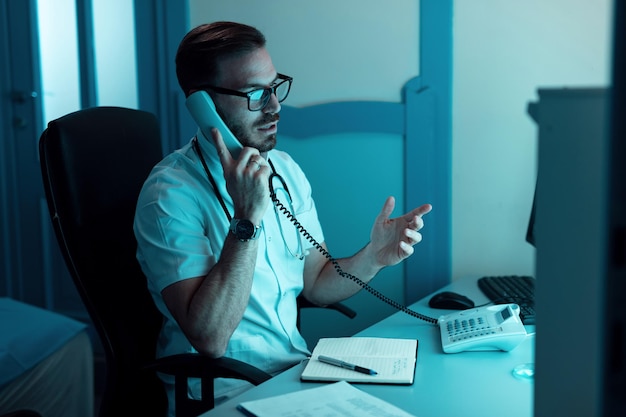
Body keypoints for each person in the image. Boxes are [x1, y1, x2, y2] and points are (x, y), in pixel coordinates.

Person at [133, 21, 432, 414]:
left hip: (294, 376)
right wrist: (247, 217)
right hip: (221, 396)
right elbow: (209, 339)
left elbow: (317, 285)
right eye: (256, 93)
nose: (275, 106)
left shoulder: (284, 170)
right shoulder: (169, 195)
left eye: (275, 87)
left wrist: (374, 257)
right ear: (201, 104)